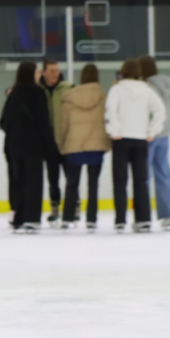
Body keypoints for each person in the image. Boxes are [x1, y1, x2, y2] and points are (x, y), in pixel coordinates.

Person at [104, 59, 166, 233]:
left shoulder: (116, 89)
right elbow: (160, 111)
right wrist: (152, 131)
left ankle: (120, 220)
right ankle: (143, 219)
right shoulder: (147, 90)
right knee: (141, 181)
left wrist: (113, 130)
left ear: (122, 72)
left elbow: (110, 110)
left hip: (121, 139)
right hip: (140, 139)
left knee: (119, 181)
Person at [0, 62, 57, 234]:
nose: (39, 74)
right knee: (33, 182)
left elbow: (3, 121)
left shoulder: (14, 93)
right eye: (38, 71)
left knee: (18, 181)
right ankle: (32, 218)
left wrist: (16, 131)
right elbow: (43, 121)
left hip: (15, 146)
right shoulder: (38, 93)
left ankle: (19, 217)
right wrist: (49, 144)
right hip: (34, 146)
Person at [57, 64, 111, 232]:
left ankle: (66, 218)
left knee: (71, 183)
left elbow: (62, 125)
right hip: (96, 145)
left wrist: (61, 143)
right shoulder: (103, 97)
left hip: (74, 145)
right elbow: (107, 121)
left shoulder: (69, 98)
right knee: (93, 184)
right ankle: (91, 220)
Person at [139, 56, 170, 231]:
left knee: (143, 177)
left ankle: (144, 215)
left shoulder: (146, 88)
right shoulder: (165, 85)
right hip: (164, 134)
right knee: (163, 174)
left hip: (149, 134)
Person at [39, 59, 74, 226]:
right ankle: (55, 208)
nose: (55, 74)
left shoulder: (68, 88)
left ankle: (73, 207)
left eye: (57, 70)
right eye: (51, 70)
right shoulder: (38, 90)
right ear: (43, 72)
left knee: (70, 176)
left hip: (67, 140)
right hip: (48, 142)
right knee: (53, 178)